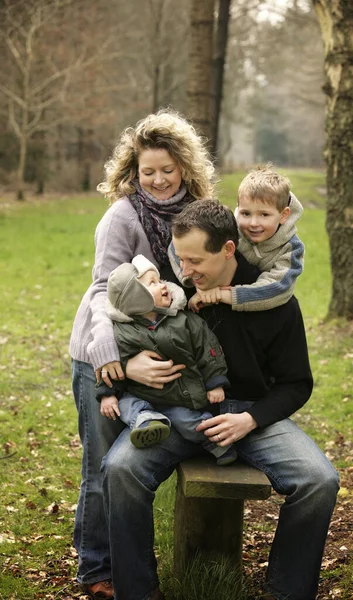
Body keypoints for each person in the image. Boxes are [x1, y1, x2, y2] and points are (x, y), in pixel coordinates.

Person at [101, 199, 340, 600]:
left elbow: (297, 383)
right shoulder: (172, 294)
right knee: (121, 469)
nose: (184, 272)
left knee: (320, 480)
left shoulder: (274, 301)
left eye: (195, 261)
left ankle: (286, 592)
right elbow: (113, 315)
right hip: (176, 414)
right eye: (180, 259)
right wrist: (128, 366)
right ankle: (139, 592)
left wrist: (250, 420)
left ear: (228, 250)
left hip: (249, 417)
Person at [69, 108, 215, 599]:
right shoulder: (123, 216)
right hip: (103, 351)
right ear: (134, 171)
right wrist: (117, 360)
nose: (156, 180)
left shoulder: (197, 211)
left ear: (184, 169)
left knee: (128, 461)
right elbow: (98, 293)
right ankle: (96, 568)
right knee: (100, 466)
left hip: (156, 350)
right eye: (146, 171)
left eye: (166, 170)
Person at [96, 254, 236, 466]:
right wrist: (107, 394)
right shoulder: (123, 333)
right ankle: (146, 422)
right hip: (141, 395)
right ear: (136, 297)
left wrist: (215, 382)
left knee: (188, 421)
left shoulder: (184, 322)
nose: (163, 285)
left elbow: (208, 349)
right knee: (125, 405)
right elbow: (113, 366)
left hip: (176, 398)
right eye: (153, 283)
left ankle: (216, 442)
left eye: (160, 280)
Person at [168, 163, 304, 312]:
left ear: (284, 215)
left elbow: (279, 288)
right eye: (246, 213)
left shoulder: (290, 248)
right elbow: (178, 246)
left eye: (264, 215)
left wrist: (223, 294)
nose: (253, 223)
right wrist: (195, 282)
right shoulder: (230, 227)